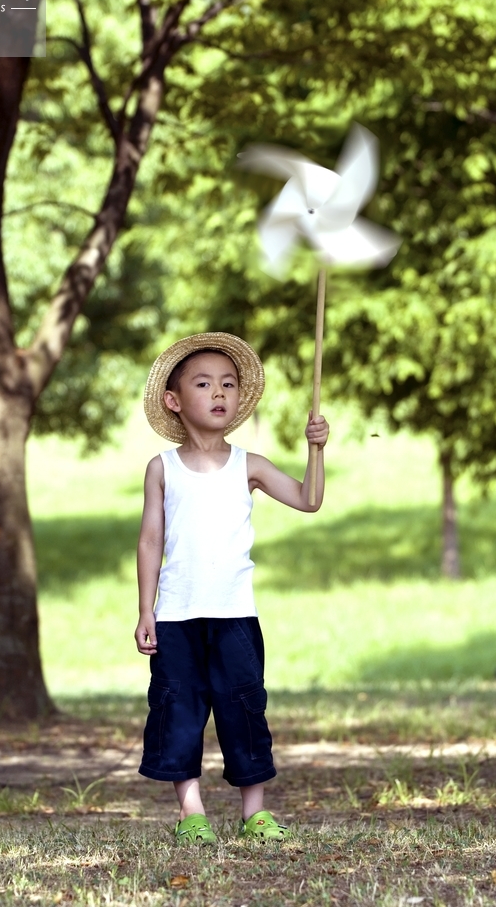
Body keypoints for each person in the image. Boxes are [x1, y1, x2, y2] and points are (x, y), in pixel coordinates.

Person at [135, 332, 329, 844]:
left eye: (228, 383)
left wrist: (316, 449)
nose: (219, 392)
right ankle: (191, 813)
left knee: (243, 709)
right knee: (178, 710)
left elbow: (309, 499)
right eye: (203, 384)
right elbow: (150, 540)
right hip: (176, 616)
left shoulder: (251, 466)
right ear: (174, 401)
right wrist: (145, 610)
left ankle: (254, 813)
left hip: (235, 615)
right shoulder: (162, 469)